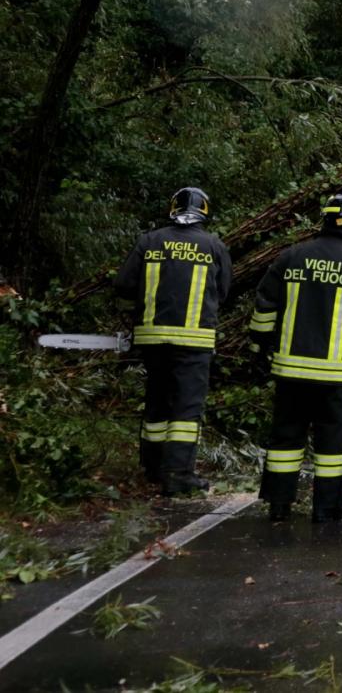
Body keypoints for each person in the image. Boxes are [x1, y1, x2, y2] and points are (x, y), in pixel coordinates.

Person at [250, 191, 342, 522]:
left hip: (290, 370)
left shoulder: (292, 256)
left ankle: (279, 504)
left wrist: (258, 348)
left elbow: (265, 305)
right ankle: (327, 507)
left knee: (286, 438)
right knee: (331, 442)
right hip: (334, 373)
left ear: (323, 220)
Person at [113, 187, 232, 496]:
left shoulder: (149, 241)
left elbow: (124, 285)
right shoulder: (213, 245)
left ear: (173, 209)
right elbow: (223, 292)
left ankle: (152, 467)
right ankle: (178, 473)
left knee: (157, 401)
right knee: (186, 407)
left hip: (152, 339)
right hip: (194, 342)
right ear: (204, 212)